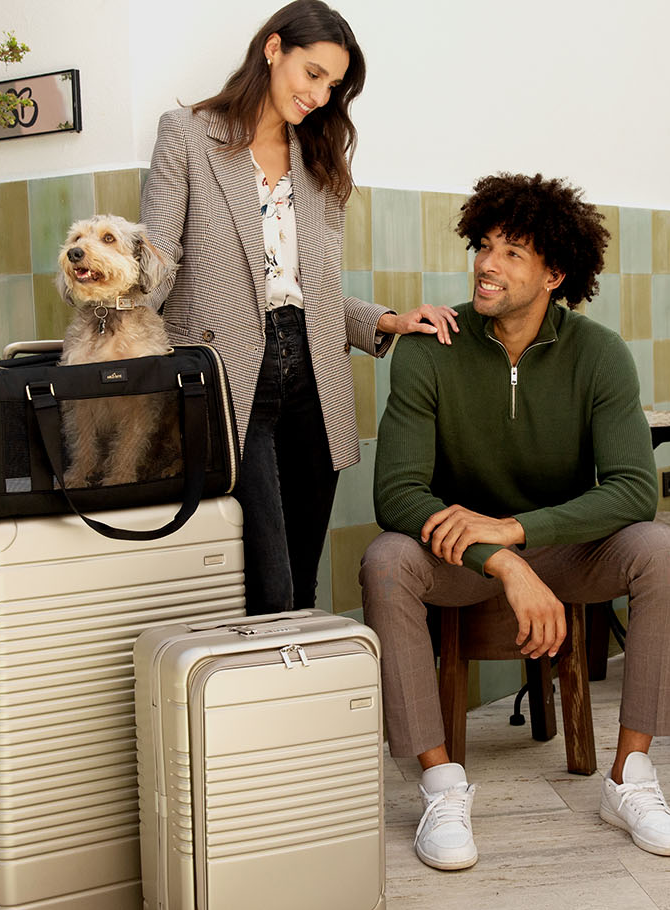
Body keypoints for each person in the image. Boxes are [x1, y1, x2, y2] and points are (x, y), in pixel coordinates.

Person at [359, 173, 670, 871]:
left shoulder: (598, 353)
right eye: (485, 245)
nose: (488, 263)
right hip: (462, 560)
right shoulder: (430, 347)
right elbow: (396, 493)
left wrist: (517, 532)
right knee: (386, 560)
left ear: (555, 272)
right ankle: (440, 784)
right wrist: (502, 560)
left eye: (514, 252)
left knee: (665, 551)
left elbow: (635, 489)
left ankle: (631, 777)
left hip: (563, 548)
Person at [141, 0, 457, 614]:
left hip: (313, 373)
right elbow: (160, 258)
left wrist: (385, 321)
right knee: (268, 580)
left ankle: (296, 703)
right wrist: (120, 344)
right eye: (312, 73)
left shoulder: (318, 157)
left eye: (332, 85)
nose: (319, 94)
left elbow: (310, 289)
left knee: (303, 575)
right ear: (273, 49)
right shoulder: (187, 134)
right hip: (227, 371)